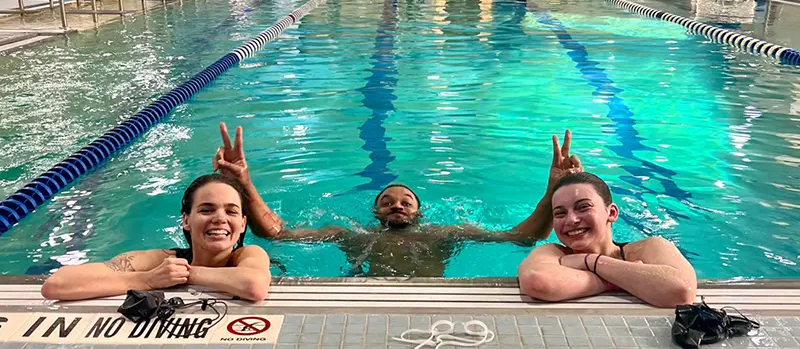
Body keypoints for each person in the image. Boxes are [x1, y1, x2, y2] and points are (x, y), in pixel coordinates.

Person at [212, 123, 582, 277]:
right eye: (388, 201)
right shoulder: (350, 235)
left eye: (406, 200)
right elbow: (277, 234)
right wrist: (243, 183)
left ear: (420, 211)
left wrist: (554, 192)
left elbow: (521, 238)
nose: (397, 204)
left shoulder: (446, 233)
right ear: (375, 211)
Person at [41, 174, 271, 302]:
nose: (220, 219)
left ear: (242, 224)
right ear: (186, 221)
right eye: (206, 210)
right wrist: (148, 280)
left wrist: (185, 274)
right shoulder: (159, 261)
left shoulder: (248, 255)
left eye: (231, 211)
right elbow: (56, 285)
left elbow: (255, 286)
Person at [517, 172, 697, 308]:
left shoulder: (650, 247)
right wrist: (619, 279)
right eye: (560, 213)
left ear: (611, 213)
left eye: (583, 207)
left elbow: (682, 291)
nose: (571, 220)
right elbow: (538, 282)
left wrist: (591, 261)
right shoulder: (552, 252)